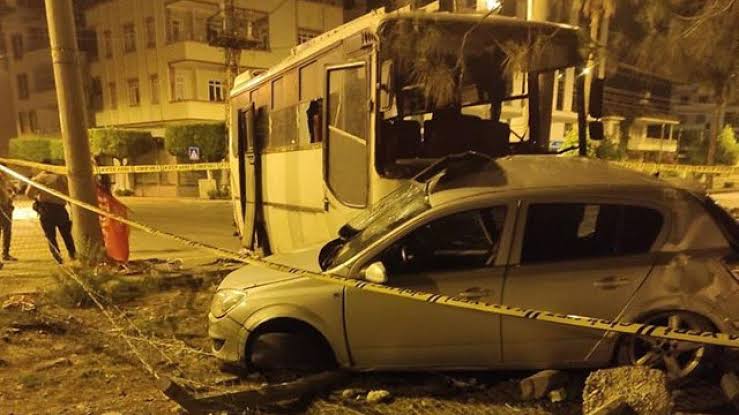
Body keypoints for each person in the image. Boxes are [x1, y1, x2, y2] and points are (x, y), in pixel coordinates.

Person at [26, 161, 76, 264]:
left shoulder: (38, 179)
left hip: (45, 209)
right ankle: (72, 254)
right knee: (66, 234)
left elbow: (29, 193)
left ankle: (57, 257)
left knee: (50, 236)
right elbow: (69, 192)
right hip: (60, 209)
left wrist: (37, 198)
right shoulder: (61, 178)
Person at [96, 174, 130, 264]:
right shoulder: (100, 194)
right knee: (113, 242)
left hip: (110, 224)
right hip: (108, 226)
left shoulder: (104, 194)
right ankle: (116, 258)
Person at [0, 172, 17, 262]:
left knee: (7, 231)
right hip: (2, 209)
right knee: (6, 231)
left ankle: (5, 253)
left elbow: (7, 194)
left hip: (6, 208)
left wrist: (10, 197)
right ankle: (5, 254)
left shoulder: (4, 181)